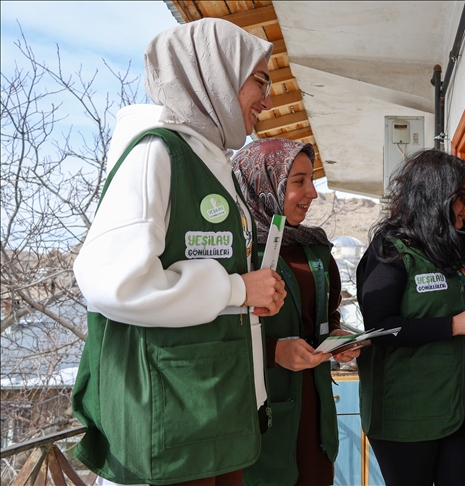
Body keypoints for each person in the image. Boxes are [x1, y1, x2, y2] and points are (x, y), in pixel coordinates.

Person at [71, 18, 287, 486]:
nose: (267, 100)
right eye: (260, 80)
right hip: (170, 416)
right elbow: (116, 282)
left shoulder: (211, 162)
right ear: (214, 73)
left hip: (214, 411)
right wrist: (234, 289)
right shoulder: (156, 152)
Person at [356, 149, 465, 485]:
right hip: (406, 417)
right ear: (435, 196)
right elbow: (378, 327)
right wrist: (454, 325)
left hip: (459, 411)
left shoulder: (455, 249)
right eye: (461, 197)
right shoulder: (391, 250)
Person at [231, 138, 360, 486]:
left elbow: (326, 316)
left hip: (314, 412)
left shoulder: (313, 246)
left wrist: (339, 338)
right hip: (259, 414)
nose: (312, 193)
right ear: (263, 183)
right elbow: (214, 333)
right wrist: (274, 352)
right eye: (298, 181)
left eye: (312, 180)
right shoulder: (235, 251)